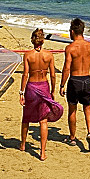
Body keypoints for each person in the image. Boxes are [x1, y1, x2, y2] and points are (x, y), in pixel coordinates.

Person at [19, 28, 63, 161]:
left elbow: (25, 74)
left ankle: (23, 144)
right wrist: (53, 90)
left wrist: (21, 92)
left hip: (31, 87)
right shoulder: (49, 55)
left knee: (26, 116)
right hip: (44, 85)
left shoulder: (28, 55)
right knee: (43, 120)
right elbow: (53, 75)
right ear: (43, 41)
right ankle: (42, 152)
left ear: (33, 40)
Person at [60, 17, 90, 151]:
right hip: (86, 79)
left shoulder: (70, 48)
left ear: (72, 31)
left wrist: (62, 84)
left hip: (74, 80)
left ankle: (72, 138)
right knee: (88, 108)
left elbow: (67, 68)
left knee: (72, 109)